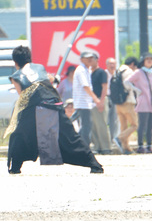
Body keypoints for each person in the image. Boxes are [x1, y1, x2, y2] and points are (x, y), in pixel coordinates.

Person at [5, 46, 103, 174]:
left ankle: (15, 167)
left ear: (15, 62)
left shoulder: (16, 76)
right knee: (70, 137)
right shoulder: (40, 67)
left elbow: (23, 96)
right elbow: (48, 80)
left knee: (19, 135)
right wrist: (54, 79)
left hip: (34, 107)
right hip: (53, 104)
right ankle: (95, 165)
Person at [127, 52, 152, 154]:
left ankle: (150, 145)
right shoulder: (138, 72)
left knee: (151, 125)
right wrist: (137, 90)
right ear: (143, 61)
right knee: (142, 125)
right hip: (143, 101)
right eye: (147, 59)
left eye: (151, 59)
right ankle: (140, 146)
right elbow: (127, 81)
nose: (150, 61)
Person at [72, 51, 102, 148]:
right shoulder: (81, 70)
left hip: (86, 103)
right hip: (82, 103)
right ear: (81, 59)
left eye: (91, 58)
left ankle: (79, 146)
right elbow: (85, 86)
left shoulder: (87, 70)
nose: (90, 59)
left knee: (84, 126)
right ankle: (84, 147)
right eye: (87, 58)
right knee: (86, 127)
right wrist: (96, 99)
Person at [114, 57, 139, 154]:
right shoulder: (129, 71)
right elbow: (129, 84)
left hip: (118, 103)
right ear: (132, 64)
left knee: (123, 126)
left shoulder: (118, 70)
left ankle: (126, 148)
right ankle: (119, 138)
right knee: (134, 125)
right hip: (127, 101)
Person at [89, 54, 112, 154]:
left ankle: (106, 147)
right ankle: (97, 146)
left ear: (97, 60)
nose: (90, 61)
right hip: (91, 101)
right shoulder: (89, 73)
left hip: (99, 99)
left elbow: (104, 87)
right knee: (93, 125)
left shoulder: (101, 72)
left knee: (102, 124)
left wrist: (101, 102)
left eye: (92, 59)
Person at [105, 57, 119, 140]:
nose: (112, 65)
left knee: (114, 119)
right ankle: (105, 139)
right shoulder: (104, 74)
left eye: (114, 64)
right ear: (106, 65)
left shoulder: (117, 75)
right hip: (106, 98)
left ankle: (112, 138)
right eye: (110, 64)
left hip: (115, 99)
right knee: (104, 119)